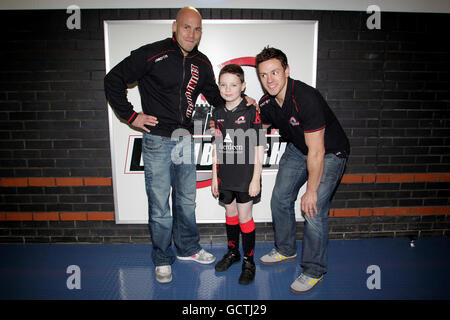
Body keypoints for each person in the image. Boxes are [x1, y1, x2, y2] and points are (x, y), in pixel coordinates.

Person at [104, 6, 254, 284]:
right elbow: (113, 79)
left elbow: (218, 98)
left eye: (197, 29)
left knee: (186, 200)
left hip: (184, 138)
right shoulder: (152, 53)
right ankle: (163, 258)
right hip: (156, 139)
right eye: (187, 27)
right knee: (160, 205)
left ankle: (188, 248)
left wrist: (244, 103)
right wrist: (131, 116)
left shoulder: (203, 63)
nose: (192, 34)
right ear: (175, 26)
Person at [255, 47, 350, 293]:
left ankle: (313, 270)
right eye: (264, 75)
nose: (270, 80)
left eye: (275, 72)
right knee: (280, 198)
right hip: (299, 148)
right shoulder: (267, 102)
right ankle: (286, 249)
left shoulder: (306, 98)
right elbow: (259, 127)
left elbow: (317, 152)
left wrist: (311, 189)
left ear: (286, 71)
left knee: (313, 208)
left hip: (329, 152)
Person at [210, 64, 264, 285]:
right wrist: (214, 176)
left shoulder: (252, 112)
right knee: (230, 215)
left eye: (233, 84)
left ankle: (249, 261)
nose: (228, 89)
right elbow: (217, 145)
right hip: (225, 175)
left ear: (243, 86)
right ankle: (233, 253)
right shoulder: (217, 112)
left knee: (244, 218)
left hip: (245, 176)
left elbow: (260, 146)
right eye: (223, 85)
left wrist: (256, 178)